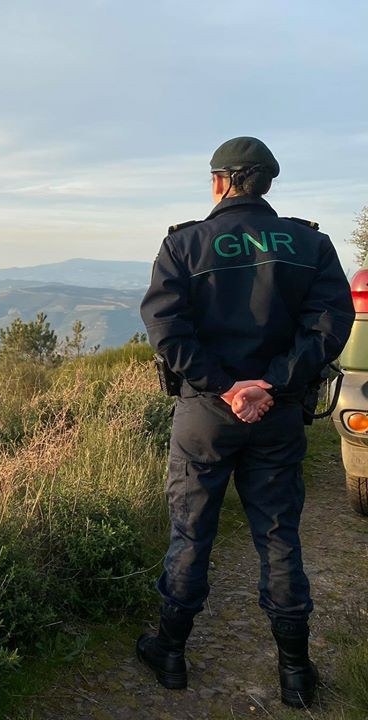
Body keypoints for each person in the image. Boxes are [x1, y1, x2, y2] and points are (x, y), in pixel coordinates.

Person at [137, 136, 355, 708]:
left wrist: (225, 385)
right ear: (266, 184)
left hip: (205, 416)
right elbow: (331, 323)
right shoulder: (311, 243)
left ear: (220, 181)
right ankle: (295, 673)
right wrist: (272, 382)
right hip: (278, 415)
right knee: (280, 537)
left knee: (192, 531)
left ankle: (171, 652)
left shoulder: (184, 244)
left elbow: (165, 328)